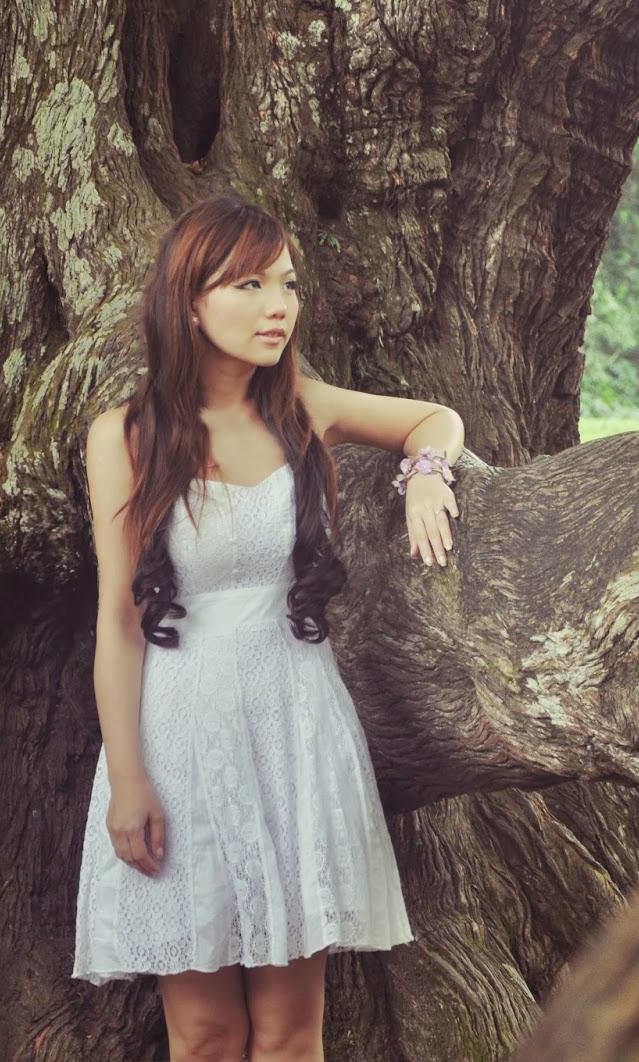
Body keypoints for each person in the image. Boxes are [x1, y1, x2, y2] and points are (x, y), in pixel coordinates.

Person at [72, 196, 462, 1061]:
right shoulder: (125, 438)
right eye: (249, 285)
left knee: (290, 1036)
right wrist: (129, 780)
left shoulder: (303, 410)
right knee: (204, 1035)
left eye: (287, 284)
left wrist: (429, 473)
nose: (277, 305)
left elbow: (431, 419)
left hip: (296, 731)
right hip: (180, 739)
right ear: (189, 301)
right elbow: (118, 626)